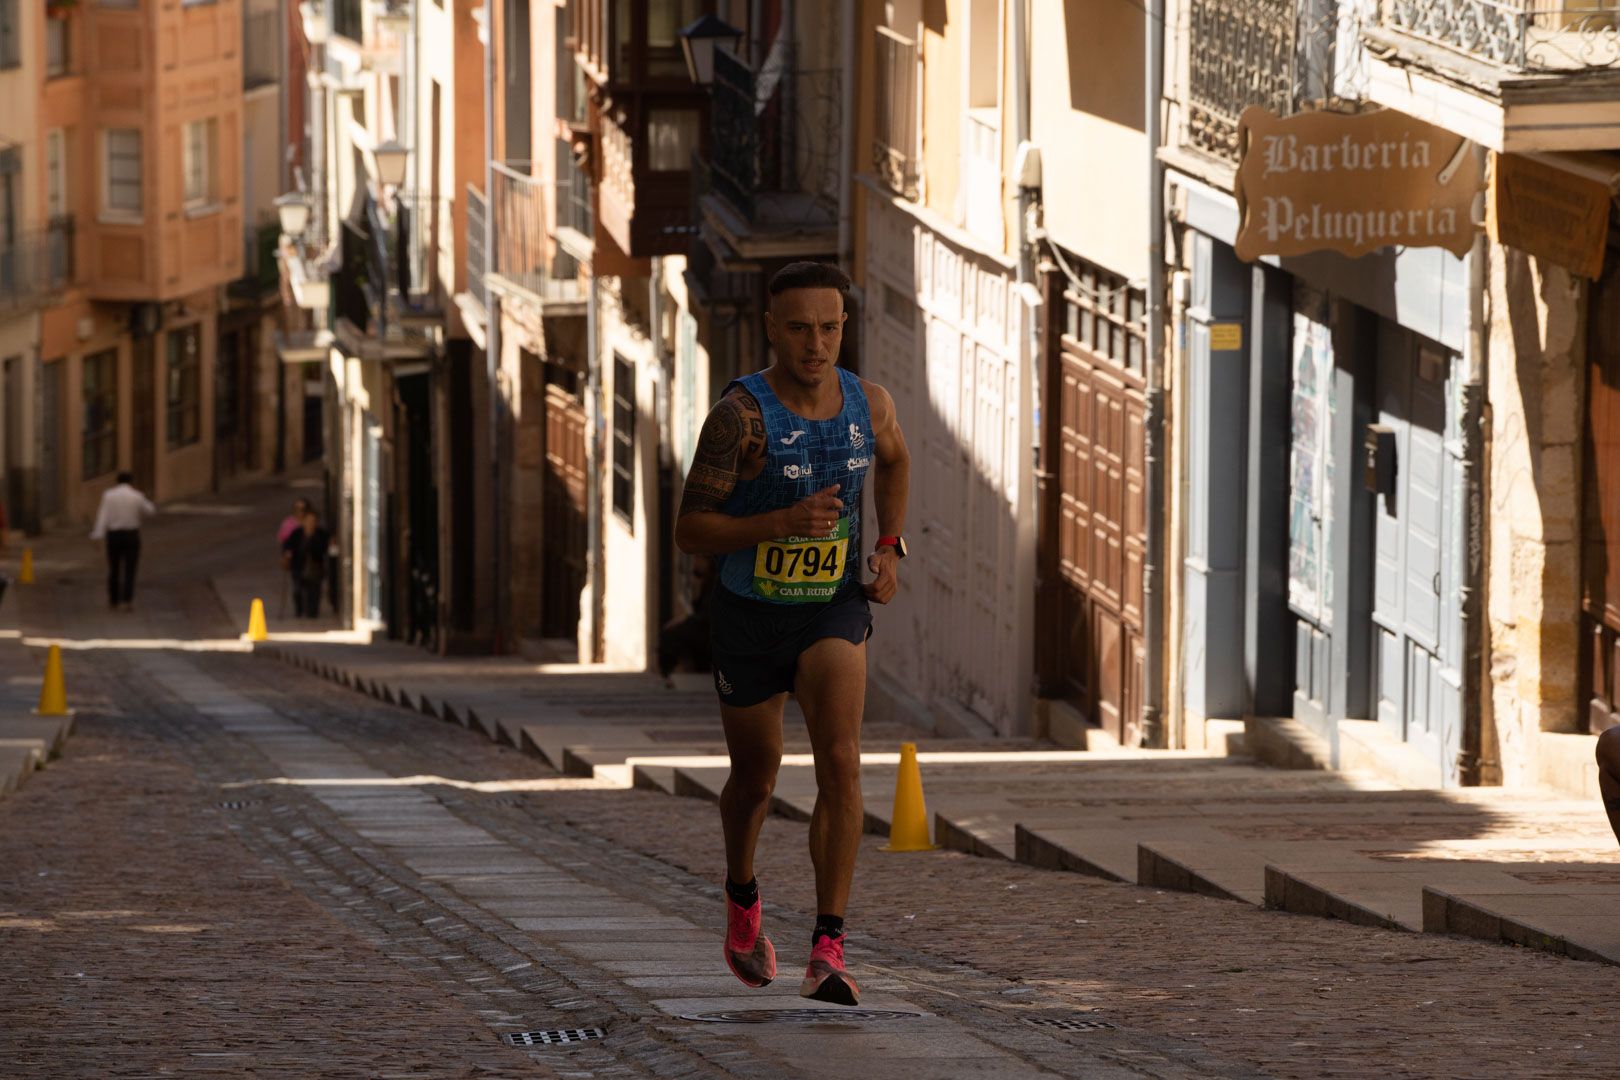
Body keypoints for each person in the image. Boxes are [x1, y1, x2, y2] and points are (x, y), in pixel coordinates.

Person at [674, 261, 911, 1007]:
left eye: (831, 328)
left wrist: (889, 545)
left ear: (846, 327)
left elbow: (896, 462)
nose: (817, 344)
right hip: (749, 614)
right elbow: (689, 529)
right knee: (757, 776)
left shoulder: (869, 405)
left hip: (830, 607)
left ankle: (829, 948)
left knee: (841, 759)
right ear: (773, 328)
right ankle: (742, 893)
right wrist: (776, 522)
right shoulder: (739, 418)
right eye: (802, 329)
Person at [90, 471, 156, 612]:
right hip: (131, 535)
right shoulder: (137, 496)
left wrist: (97, 535)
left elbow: (103, 515)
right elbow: (150, 510)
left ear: (117, 482)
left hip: (114, 536)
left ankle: (113, 599)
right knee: (130, 569)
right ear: (131, 482)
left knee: (114, 568)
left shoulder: (109, 495)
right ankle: (127, 600)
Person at [658, 555, 715, 688]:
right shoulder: (707, 580)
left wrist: (684, 620)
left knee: (673, 634)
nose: (694, 564)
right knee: (672, 631)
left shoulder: (714, 581)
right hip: (706, 629)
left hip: (710, 631)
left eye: (697, 559)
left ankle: (672, 673)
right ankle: (671, 674)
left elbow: (706, 615)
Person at [281, 509, 331, 619]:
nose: (310, 523)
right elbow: (287, 545)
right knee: (297, 590)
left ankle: (312, 612)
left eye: (313, 521)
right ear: (303, 521)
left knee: (314, 591)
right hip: (298, 566)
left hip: (315, 567)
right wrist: (288, 553)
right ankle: (299, 611)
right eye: (308, 520)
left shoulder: (321, 534)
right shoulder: (296, 533)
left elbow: (324, 549)